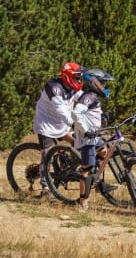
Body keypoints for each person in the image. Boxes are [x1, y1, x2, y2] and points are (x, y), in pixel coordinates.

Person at [33, 62, 85, 198]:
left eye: (80, 77)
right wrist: (76, 124)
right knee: (47, 155)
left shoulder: (74, 87)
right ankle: (45, 188)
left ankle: (66, 170)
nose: (79, 80)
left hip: (62, 124)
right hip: (46, 124)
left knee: (78, 142)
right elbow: (61, 111)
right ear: (67, 76)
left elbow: (84, 100)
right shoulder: (53, 87)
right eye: (76, 77)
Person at [72, 68, 116, 212]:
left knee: (105, 154)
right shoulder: (88, 96)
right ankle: (83, 202)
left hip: (94, 136)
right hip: (87, 138)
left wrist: (102, 116)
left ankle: (97, 180)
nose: (104, 86)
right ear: (94, 83)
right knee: (87, 169)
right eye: (102, 83)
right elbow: (77, 112)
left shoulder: (93, 96)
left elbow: (90, 113)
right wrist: (86, 130)